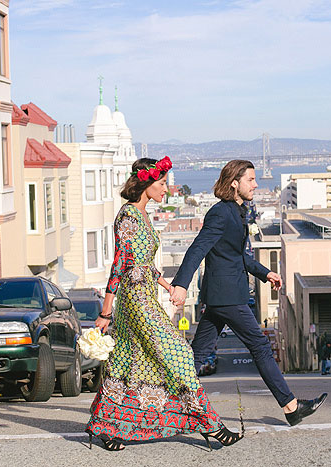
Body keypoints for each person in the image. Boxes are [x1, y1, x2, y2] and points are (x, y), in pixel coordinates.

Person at [85, 157, 242, 451]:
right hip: (135, 300)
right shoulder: (128, 217)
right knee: (180, 353)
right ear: (145, 183)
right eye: (161, 184)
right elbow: (120, 265)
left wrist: (170, 286)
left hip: (147, 296)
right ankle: (211, 426)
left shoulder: (143, 216)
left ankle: (104, 427)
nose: (166, 189)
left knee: (126, 363)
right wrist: (106, 312)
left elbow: (144, 264)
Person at [170, 159, 327, 427]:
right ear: (235, 183)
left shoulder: (237, 211)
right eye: (251, 180)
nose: (256, 184)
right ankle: (291, 407)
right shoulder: (220, 213)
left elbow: (238, 255)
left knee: (195, 356)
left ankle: (166, 406)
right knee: (260, 346)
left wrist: (265, 273)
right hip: (228, 296)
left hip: (222, 296)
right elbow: (197, 248)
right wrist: (181, 284)